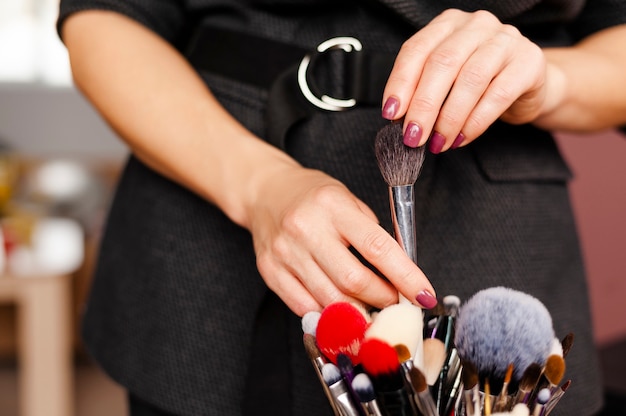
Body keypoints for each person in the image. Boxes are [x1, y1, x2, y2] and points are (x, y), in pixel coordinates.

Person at [57, 1, 626, 415]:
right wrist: (257, 187)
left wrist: (546, 80)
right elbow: (103, 21)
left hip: (496, 241)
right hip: (205, 252)